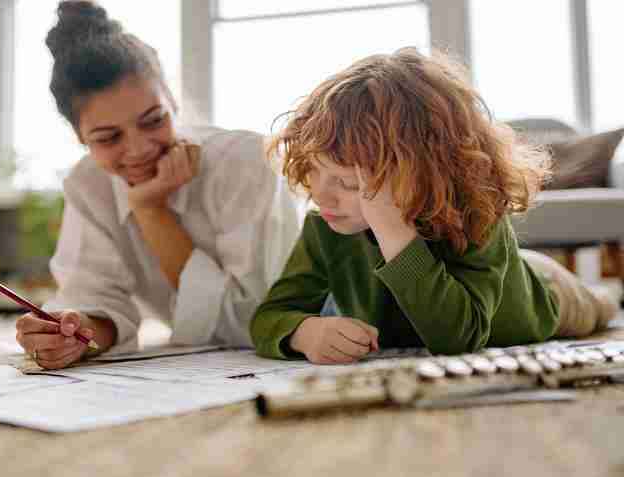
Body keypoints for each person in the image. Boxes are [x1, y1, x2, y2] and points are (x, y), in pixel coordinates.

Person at [250, 47, 619, 364]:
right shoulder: (325, 227)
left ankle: (610, 295)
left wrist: (393, 231)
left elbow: (458, 339)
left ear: (420, 174)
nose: (320, 195)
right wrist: (303, 332)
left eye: (347, 183)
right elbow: (270, 316)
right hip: (505, 273)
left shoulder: (479, 217)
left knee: (598, 308)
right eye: (314, 172)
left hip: (542, 295)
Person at [15, 0, 300, 369]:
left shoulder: (244, 163)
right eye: (107, 138)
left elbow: (256, 323)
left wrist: (150, 210)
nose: (138, 150)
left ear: (172, 98)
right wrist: (74, 333)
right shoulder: (88, 183)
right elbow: (94, 297)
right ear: (79, 136)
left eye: (153, 121)